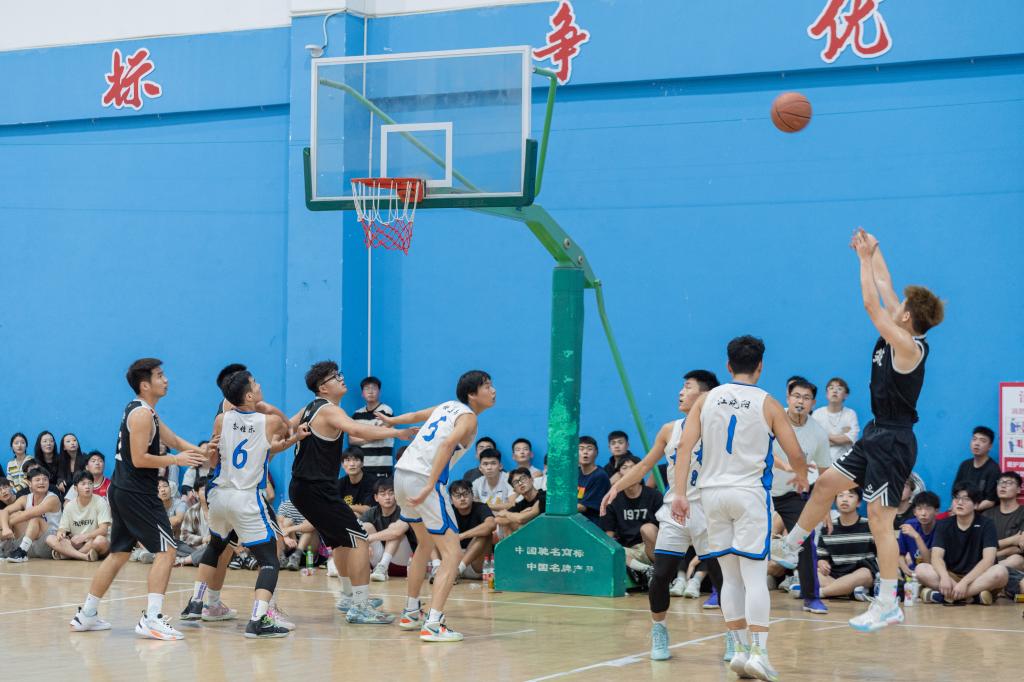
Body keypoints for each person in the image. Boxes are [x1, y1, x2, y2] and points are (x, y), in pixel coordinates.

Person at [773, 228, 945, 633]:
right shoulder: (904, 327)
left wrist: (862, 261)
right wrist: (874, 249)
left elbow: (871, 303)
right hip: (876, 432)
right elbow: (884, 284)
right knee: (826, 484)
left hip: (894, 441)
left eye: (901, 305)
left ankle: (888, 602)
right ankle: (793, 544)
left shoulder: (908, 346)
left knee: (880, 521)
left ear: (906, 317)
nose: (895, 303)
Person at [671, 336, 808, 680]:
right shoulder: (769, 403)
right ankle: (759, 653)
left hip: (711, 495)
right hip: (748, 494)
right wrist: (802, 476)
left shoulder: (706, 400)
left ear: (728, 365)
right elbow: (795, 452)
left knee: (730, 578)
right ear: (760, 367)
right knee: (754, 577)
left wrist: (680, 494)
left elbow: (684, 447)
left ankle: (740, 649)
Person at [69, 358, 210, 639]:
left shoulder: (146, 411)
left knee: (119, 554)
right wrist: (177, 460)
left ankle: (87, 614)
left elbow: (174, 440)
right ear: (145, 385)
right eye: (160, 375)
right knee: (167, 551)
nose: (166, 379)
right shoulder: (142, 415)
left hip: (124, 490)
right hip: (137, 493)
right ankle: (152, 619)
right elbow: (140, 459)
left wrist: (202, 453)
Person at [601, 368, 722, 661]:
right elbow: (644, 466)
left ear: (705, 395)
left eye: (688, 387)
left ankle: (734, 635)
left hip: (709, 512)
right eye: (682, 386)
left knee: (721, 576)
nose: (681, 392)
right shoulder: (670, 429)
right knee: (661, 574)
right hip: (675, 512)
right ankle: (660, 630)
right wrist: (616, 487)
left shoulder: (719, 428)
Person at [180, 369, 308, 638]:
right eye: (255, 384)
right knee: (270, 560)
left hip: (219, 495)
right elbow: (285, 427)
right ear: (249, 395)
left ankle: (196, 602)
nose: (259, 385)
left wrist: (294, 439)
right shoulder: (270, 421)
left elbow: (248, 450)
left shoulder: (221, 419)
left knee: (215, 546)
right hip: (246, 497)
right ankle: (259, 619)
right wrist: (290, 429)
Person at [288, 360, 415, 624]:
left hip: (305, 487)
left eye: (339, 374)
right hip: (315, 488)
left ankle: (348, 597)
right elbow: (357, 429)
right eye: (335, 377)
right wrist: (397, 432)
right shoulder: (329, 410)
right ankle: (360, 606)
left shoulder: (309, 408)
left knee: (341, 541)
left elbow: (285, 426)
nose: (342, 379)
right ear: (324, 387)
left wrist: (288, 438)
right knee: (359, 539)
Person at [382, 370, 496, 642]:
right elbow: (447, 444)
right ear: (472, 394)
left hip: (401, 474)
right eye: (487, 386)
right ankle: (434, 624)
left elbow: (415, 416)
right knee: (452, 554)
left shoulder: (447, 406)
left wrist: (391, 421)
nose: (493, 391)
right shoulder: (468, 417)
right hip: (424, 480)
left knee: (424, 544)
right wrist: (430, 485)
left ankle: (411, 612)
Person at [769, 378, 832, 614]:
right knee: (742, 540)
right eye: (796, 396)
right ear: (788, 398)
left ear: (813, 403)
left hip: (791, 494)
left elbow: (826, 474)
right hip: (760, 490)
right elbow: (761, 451)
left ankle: (811, 597)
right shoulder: (773, 420)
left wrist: (825, 508)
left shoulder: (818, 433)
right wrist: (787, 466)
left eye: (806, 398)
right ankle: (719, 592)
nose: (800, 402)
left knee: (805, 539)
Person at [917, 485, 1008, 604]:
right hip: (951, 576)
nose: (960, 502)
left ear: (976, 505)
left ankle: (946, 596)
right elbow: (936, 557)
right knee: (921, 569)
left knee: (1000, 572)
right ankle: (972, 597)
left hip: (978, 577)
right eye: (956, 498)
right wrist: (944, 577)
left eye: (966, 499)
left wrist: (964, 583)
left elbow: (988, 560)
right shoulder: (943, 525)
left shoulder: (987, 524)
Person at [600, 456, 662, 573]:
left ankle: (661, 571)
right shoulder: (613, 500)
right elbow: (609, 534)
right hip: (629, 551)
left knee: (647, 528)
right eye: (625, 468)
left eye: (633, 467)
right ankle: (646, 570)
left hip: (652, 548)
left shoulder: (654, 495)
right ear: (619, 474)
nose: (629, 471)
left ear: (641, 472)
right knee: (609, 548)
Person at [816, 489, 877, 600]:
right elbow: (821, 557)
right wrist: (822, 563)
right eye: (840, 496)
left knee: (865, 573)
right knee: (813, 572)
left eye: (850, 496)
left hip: (861, 573)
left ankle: (822, 593)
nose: (844, 499)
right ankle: (849, 591)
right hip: (836, 573)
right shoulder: (828, 527)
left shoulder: (870, 526)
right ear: (835, 502)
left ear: (859, 503)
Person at [0, 467, 63, 562]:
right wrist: (5, 528)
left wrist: (7, 524)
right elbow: (4, 511)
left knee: (34, 519)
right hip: (30, 544)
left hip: (50, 543)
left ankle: (21, 553)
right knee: (10, 516)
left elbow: (26, 515)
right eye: (37, 480)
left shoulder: (52, 499)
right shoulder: (25, 498)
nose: (42, 482)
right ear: (29, 483)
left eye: (45, 479)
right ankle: (8, 551)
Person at [360, 478, 416, 581]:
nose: (387, 497)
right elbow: (355, 531)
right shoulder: (372, 513)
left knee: (395, 531)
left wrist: (367, 539)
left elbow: (396, 532)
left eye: (391, 493)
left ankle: (383, 566)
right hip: (378, 561)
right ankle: (380, 569)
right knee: (366, 526)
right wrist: (363, 543)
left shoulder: (404, 510)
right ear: (376, 497)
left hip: (404, 563)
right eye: (383, 494)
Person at [48, 471, 111, 561]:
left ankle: (69, 555)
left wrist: (85, 536)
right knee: (50, 538)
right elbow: (62, 528)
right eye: (83, 484)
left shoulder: (100, 502)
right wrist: (61, 533)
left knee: (100, 540)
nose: (87, 487)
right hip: (77, 543)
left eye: (90, 483)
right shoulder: (69, 506)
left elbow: (103, 530)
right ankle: (84, 556)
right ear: (75, 488)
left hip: (94, 541)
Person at [348, 376, 395, 481]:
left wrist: (363, 437)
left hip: (381, 467)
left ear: (379, 392)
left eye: (374, 388)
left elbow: (382, 433)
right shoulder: (357, 414)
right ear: (362, 393)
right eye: (367, 388)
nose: (370, 391)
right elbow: (351, 440)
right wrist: (373, 435)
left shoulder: (386, 411)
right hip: (362, 468)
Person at [449, 479, 497, 580]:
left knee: (485, 533)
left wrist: (462, 536)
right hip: (453, 560)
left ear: (472, 495)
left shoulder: (481, 507)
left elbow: (491, 524)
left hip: (475, 563)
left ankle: (458, 570)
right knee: (432, 531)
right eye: (458, 496)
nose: (462, 498)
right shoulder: (448, 511)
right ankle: (436, 568)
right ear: (451, 499)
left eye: (466, 494)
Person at [952, 427, 1000, 512]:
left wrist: (970, 509)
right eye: (974, 439)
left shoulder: (993, 469)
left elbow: (990, 501)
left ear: (990, 446)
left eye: (982, 441)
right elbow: (955, 492)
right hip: (962, 510)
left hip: (981, 513)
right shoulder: (964, 465)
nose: (977, 443)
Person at [812, 377, 860, 464]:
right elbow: (814, 441)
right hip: (819, 460)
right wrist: (842, 438)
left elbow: (851, 438)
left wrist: (824, 435)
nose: (834, 391)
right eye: (831, 388)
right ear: (826, 394)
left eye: (839, 389)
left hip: (845, 461)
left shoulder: (850, 414)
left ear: (846, 395)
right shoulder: (817, 414)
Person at [984, 471, 1024, 570]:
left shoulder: (1022, 512)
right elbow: (980, 545)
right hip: (988, 561)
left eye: (1009, 483)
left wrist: (993, 554)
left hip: (1013, 564)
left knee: (1016, 559)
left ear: (1018, 489)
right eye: (1000, 482)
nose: (1003, 486)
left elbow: (1019, 547)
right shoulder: (986, 515)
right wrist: (1012, 540)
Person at [897, 491, 940, 578]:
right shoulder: (909, 525)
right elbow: (900, 553)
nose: (923, 513)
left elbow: (928, 562)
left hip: (933, 572)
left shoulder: (941, 529)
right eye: (919, 509)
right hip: (913, 571)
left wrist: (917, 536)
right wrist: (905, 569)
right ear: (914, 512)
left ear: (936, 511)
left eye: (928, 509)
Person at [494, 467, 546, 532]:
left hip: (547, 533)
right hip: (530, 534)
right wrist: (521, 514)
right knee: (508, 524)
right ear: (514, 490)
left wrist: (507, 514)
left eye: (523, 479)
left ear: (531, 479)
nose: (520, 483)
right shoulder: (520, 504)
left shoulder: (544, 496)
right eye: (516, 482)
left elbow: (521, 519)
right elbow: (498, 519)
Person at [577, 436, 610, 525]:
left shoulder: (600, 476)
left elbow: (583, 507)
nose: (585, 452)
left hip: (592, 523)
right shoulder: (574, 473)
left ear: (596, 453)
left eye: (589, 449)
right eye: (581, 449)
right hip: (576, 520)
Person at [471, 448, 514, 512]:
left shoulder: (509, 479)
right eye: (485, 464)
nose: (489, 467)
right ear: (480, 468)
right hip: (486, 517)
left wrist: (485, 506)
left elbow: (512, 504)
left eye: (493, 463)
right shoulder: (477, 483)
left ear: (500, 466)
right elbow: (471, 503)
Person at [337, 449, 376, 516]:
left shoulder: (372, 482)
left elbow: (369, 510)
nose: (352, 464)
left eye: (356, 460)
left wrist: (344, 506)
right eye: (348, 460)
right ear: (342, 465)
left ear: (362, 464)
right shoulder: (340, 483)